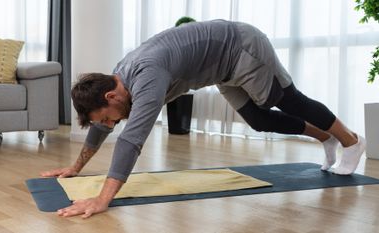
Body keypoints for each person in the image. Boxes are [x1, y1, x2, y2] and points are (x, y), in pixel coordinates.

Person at [41, 19, 366, 218]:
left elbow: (132, 139)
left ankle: (351, 142)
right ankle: (326, 137)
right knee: (259, 120)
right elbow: (104, 127)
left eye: (108, 117)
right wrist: (76, 168)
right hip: (221, 68)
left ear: (111, 96)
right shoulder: (119, 83)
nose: (111, 124)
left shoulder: (147, 78)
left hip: (241, 47)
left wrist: (102, 199)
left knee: (284, 100)